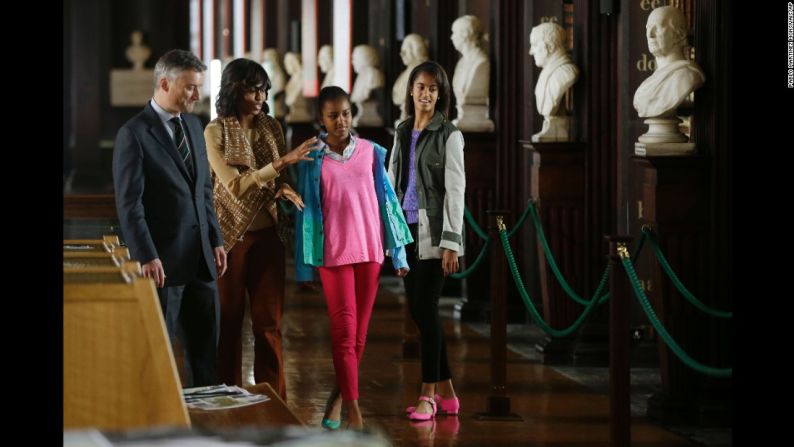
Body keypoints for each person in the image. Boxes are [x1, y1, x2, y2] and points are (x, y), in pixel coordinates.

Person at [294, 86, 413, 430]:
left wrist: (399, 254)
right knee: (344, 334)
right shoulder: (311, 159)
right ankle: (356, 413)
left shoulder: (373, 152)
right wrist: (304, 270)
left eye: (345, 113)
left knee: (359, 337)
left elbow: (388, 203)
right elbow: (305, 215)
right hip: (333, 256)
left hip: (371, 254)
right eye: (333, 115)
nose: (341, 120)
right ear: (321, 119)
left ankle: (336, 402)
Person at [205, 58, 319, 400]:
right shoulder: (215, 131)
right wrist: (282, 164)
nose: (260, 95)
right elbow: (235, 186)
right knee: (229, 323)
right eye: (253, 88)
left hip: (268, 235)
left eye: (264, 89)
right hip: (229, 238)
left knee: (269, 325)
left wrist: (283, 186)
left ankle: (274, 398)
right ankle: (227, 397)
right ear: (233, 89)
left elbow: (274, 180)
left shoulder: (271, 127)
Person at [112, 49, 225, 387]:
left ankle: (204, 427)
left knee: (205, 357)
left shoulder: (194, 125)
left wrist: (215, 239)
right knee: (157, 355)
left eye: (199, 86)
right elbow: (130, 205)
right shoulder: (133, 134)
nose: (197, 94)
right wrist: (146, 255)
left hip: (201, 262)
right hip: (162, 264)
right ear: (164, 83)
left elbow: (204, 191)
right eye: (190, 87)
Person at [388, 61, 465, 421]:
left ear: (440, 93)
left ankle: (429, 395)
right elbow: (391, 184)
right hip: (406, 234)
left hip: (433, 237)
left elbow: (455, 191)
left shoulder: (450, 135)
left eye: (433, 89)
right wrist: (390, 237)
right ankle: (448, 393)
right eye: (421, 87)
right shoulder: (402, 131)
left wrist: (452, 242)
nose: (426, 94)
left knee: (426, 311)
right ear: (411, 89)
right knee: (421, 313)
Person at [633, 5, 705, 118]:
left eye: (658, 27)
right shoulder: (647, 85)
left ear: (679, 35)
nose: (650, 35)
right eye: (648, 28)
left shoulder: (688, 76)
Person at [528, 22, 579, 142]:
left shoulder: (567, 72)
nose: (531, 51)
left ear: (550, 46)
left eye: (534, 45)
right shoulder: (546, 74)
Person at [450, 15, 493, 131]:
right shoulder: (461, 63)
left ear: (464, 34)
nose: (451, 37)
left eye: (454, 33)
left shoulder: (481, 62)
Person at [392, 34, 429, 125]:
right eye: (402, 50)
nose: (401, 54)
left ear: (416, 51)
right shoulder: (405, 73)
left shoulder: (423, 73)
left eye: (405, 50)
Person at [350, 44, 385, 126]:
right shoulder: (360, 76)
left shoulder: (374, 75)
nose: (352, 62)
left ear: (364, 58)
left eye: (355, 59)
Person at [284, 52, 312, 122]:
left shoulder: (303, 78)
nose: (286, 67)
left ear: (294, 63)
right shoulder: (293, 78)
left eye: (288, 64)